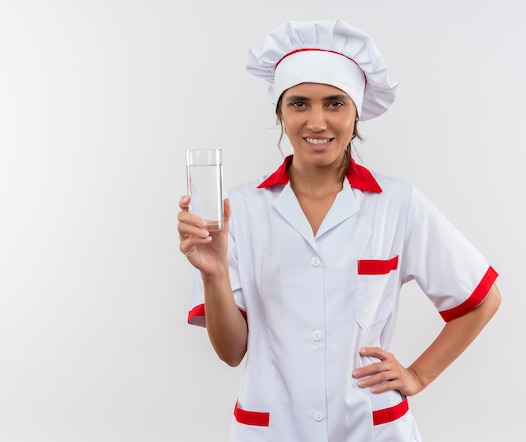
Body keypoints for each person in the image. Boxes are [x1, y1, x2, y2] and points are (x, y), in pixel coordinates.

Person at [177, 19, 501, 442]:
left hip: (371, 426)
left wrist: (419, 375)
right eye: (298, 104)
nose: (316, 121)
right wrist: (213, 270)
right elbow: (231, 352)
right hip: (273, 428)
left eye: (334, 103)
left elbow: (480, 299)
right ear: (279, 111)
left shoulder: (397, 203)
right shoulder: (238, 210)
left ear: (356, 112)